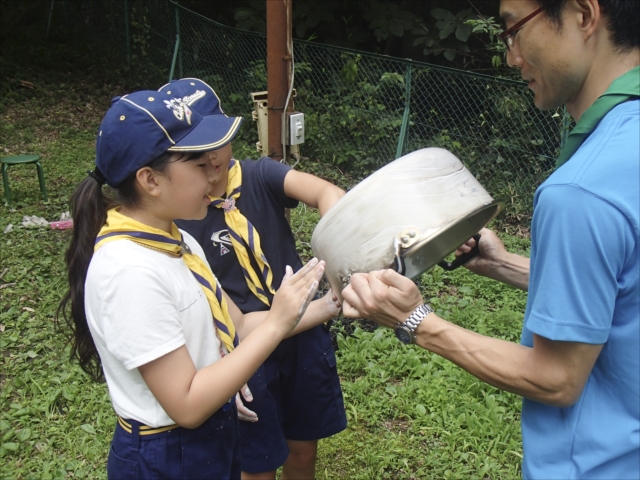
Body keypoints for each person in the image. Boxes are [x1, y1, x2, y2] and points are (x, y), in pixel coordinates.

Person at [340, 0, 639, 478]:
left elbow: (558, 378)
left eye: (514, 30)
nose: (511, 56)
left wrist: (416, 320)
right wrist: (500, 264)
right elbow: (624, 295)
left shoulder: (581, 191)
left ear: (583, 15)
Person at [56, 83, 341, 479]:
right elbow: (187, 404)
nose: (213, 173)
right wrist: (277, 322)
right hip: (168, 452)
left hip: (210, 432)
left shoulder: (178, 239)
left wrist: (327, 305)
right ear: (150, 180)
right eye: (197, 165)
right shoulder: (130, 272)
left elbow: (239, 325)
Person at [170, 78, 348, 480]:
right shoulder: (180, 219)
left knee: (303, 450)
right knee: (258, 464)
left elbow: (327, 193)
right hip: (243, 351)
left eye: (218, 143)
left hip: (304, 334)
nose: (213, 159)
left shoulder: (258, 175)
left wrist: (337, 251)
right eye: (196, 152)